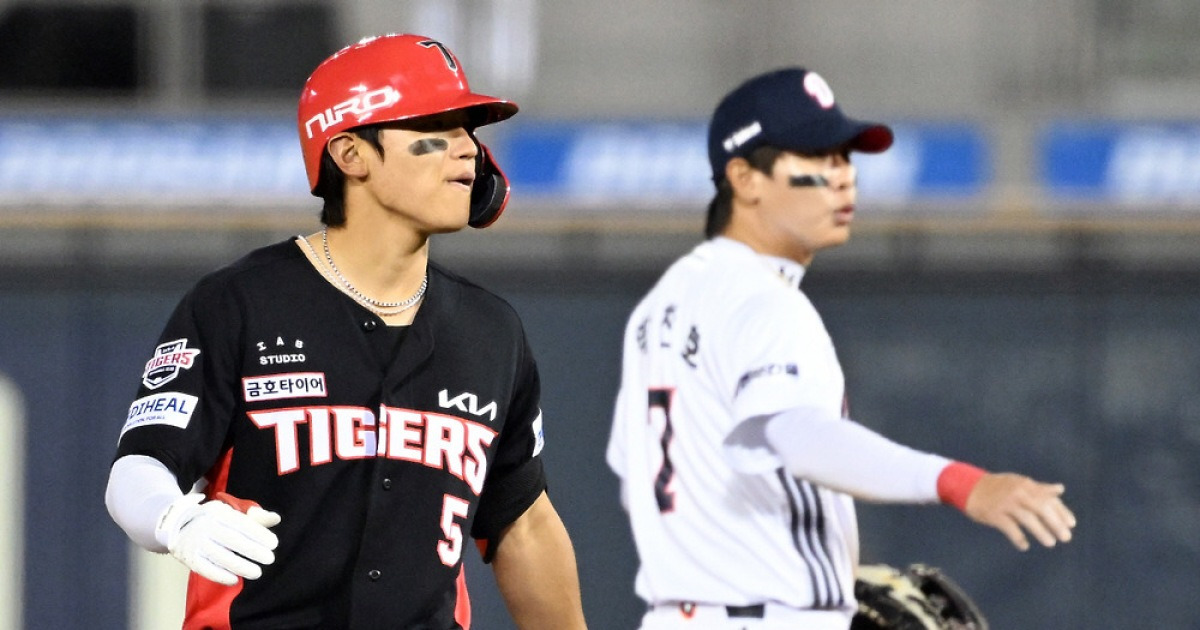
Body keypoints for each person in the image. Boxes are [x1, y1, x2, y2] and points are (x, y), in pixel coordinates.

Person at [105, 33, 587, 630]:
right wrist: (174, 520)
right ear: (351, 154)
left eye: (470, 131)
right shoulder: (241, 303)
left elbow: (521, 520)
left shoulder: (492, 330)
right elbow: (137, 470)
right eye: (435, 129)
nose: (468, 151)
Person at [605, 67, 1077, 630]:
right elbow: (802, 437)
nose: (844, 179)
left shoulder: (662, 304)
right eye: (817, 159)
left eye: (846, 159)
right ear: (745, 178)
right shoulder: (763, 298)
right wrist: (963, 483)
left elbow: (637, 479)